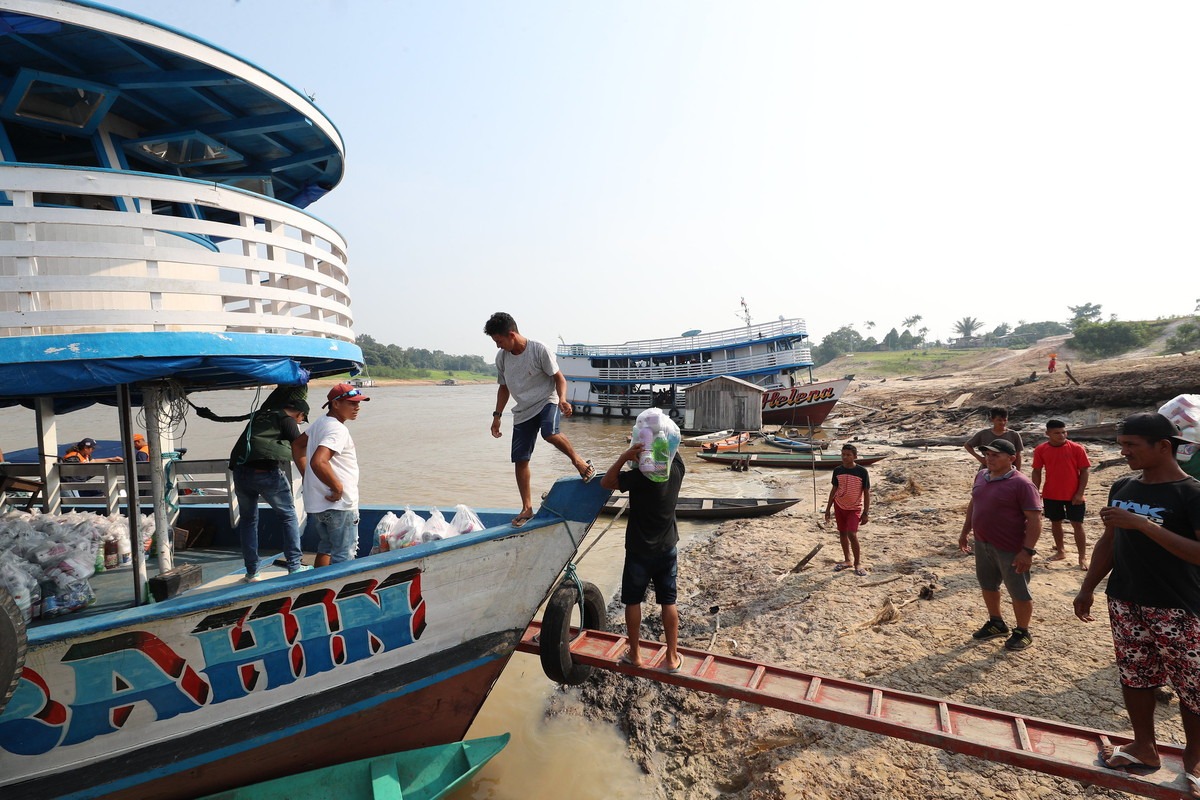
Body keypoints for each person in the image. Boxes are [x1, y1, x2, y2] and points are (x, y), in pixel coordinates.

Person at [1073, 412, 1200, 794]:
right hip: (1126, 599)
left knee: (1192, 686)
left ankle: (1194, 758)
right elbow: (1109, 541)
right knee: (1136, 676)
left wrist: (1144, 525)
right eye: (1121, 445)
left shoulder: (1191, 493)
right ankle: (1144, 747)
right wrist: (1088, 586)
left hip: (1178, 606)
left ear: (1164, 446)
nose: (1124, 452)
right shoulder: (1123, 485)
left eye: (1132, 445)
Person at [484, 312, 595, 527]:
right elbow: (504, 388)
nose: (498, 346)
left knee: (549, 433)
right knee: (520, 458)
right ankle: (527, 508)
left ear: (511, 335)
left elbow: (559, 379)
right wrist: (497, 416)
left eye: (499, 341)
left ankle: (579, 462)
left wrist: (563, 399)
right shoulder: (502, 359)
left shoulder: (538, 350)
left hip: (547, 400)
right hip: (523, 410)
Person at [600, 438, 685, 673]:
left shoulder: (639, 477)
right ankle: (671, 657)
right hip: (667, 548)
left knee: (633, 601)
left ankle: (635, 654)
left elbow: (607, 482)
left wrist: (625, 456)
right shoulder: (677, 470)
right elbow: (673, 446)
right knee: (669, 601)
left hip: (639, 550)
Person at [958, 438, 1043, 651]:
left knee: (1018, 591)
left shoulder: (1022, 484)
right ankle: (996, 623)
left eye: (995, 455)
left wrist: (1027, 551)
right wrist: (965, 530)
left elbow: (1035, 520)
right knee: (988, 584)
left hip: (1011, 547)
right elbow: (974, 503)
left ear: (1011, 458)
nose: (989, 458)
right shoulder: (981, 475)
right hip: (983, 543)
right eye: (987, 454)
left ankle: (1023, 631)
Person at [228, 387, 312, 581]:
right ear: (300, 414)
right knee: (289, 517)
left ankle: (252, 571)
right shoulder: (287, 420)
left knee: (248, 521)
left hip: (241, 473)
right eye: (302, 419)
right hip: (266, 474)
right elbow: (299, 445)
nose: (300, 422)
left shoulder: (262, 416)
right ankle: (294, 566)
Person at [300, 382, 368, 566]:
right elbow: (319, 461)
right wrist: (337, 488)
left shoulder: (321, 422)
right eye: (352, 403)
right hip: (339, 505)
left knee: (326, 547)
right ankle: (338, 594)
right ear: (336, 404)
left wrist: (307, 476)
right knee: (344, 554)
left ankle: (318, 590)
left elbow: (297, 445)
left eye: (358, 403)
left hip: (320, 503)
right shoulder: (338, 429)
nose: (357, 407)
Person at [1030, 419, 1091, 569]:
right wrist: (1035, 492)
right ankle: (1061, 551)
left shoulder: (1077, 448)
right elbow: (1036, 471)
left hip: (1074, 495)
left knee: (1077, 524)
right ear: (1048, 434)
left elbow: (1084, 470)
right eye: (1057, 433)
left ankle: (1082, 557)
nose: (1061, 435)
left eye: (1064, 432)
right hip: (1051, 493)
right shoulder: (1040, 449)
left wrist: (1080, 493)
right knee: (1055, 522)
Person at [825, 444, 871, 576]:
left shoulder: (862, 472)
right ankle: (847, 560)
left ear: (855, 456)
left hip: (854, 508)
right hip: (839, 506)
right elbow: (834, 490)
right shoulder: (837, 470)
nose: (845, 457)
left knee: (852, 534)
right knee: (842, 533)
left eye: (848, 455)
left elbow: (866, 492)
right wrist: (828, 509)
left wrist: (866, 512)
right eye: (843, 454)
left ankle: (857, 563)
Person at [965, 407, 1024, 471]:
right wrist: (980, 458)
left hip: (1007, 470)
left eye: (1005, 420)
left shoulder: (1013, 435)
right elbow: (967, 445)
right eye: (999, 420)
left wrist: (1017, 472)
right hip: (987, 470)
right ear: (992, 419)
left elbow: (1018, 456)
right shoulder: (983, 434)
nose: (1002, 423)